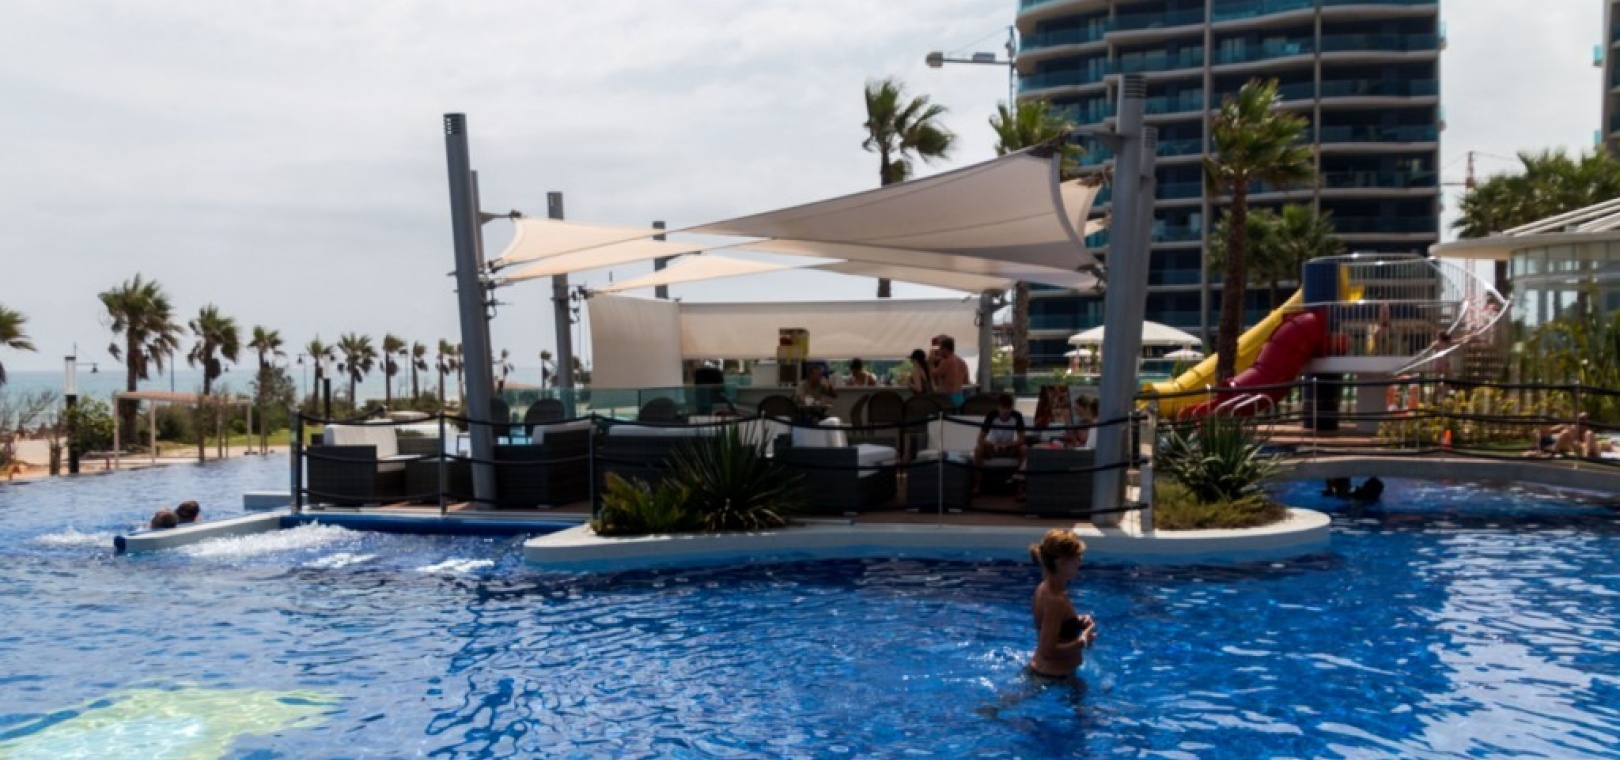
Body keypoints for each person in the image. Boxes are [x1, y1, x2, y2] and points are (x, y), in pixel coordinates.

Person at [1029, 529, 1096, 678]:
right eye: (1076, 558)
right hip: (1053, 677)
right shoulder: (1055, 600)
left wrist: (1076, 622)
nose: (1080, 562)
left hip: (1050, 674)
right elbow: (1047, 651)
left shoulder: (1045, 588)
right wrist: (1082, 641)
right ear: (1061, 562)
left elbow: (1054, 624)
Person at [974, 394, 1027, 495]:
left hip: (1010, 448)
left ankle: (1020, 488)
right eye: (1003, 408)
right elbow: (980, 439)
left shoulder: (1017, 416)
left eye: (1008, 408)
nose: (1005, 411)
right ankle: (977, 486)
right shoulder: (991, 415)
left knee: (1024, 449)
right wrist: (993, 445)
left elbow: (1022, 439)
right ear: (998, 407)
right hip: (993, 448)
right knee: (978, 450)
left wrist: (1007, 445)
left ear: (1012, 408)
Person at [934, 336, 971, 409]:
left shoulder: (946, 361)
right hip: (959, 396)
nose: (939, 351)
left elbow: (934, 374)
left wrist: (930, 363)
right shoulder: (962, 362)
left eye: (940, 349)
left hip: (948, 398)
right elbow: (966, 381)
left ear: (945, 349)